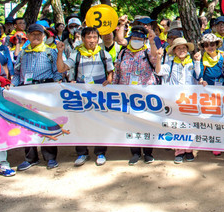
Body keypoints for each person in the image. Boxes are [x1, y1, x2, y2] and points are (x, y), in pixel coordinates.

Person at [56, 26, 114, 166]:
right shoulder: (76, 54)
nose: (92, 41)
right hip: (80, 95)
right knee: (80, 123)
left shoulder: (104, 54)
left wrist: (110, 79)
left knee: (100, 123)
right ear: (82, 39)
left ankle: (100, 153)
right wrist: (60, 52)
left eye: (95, 37)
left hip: (99, 96)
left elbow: (110, 70)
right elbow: (61, 68)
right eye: (89, 37)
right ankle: (82, 153)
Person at [11, 23, 62, 171]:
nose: (36, 37)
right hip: (26, 93)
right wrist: (12, 87)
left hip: (45, 92)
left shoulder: (50, 52)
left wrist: (56, 84)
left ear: (44, 36)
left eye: (39, 34)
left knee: (47, 123)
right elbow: (17, 73)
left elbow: (58, 71)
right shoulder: (23, 53)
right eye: (33, 34)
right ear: (28, 35)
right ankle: (31, 158)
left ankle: (50, 157)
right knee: (27, 125)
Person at [113, 25, 161, 165]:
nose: (137, 40)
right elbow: (117, 72)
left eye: (140, 38)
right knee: (130, 124)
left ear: (144, 40)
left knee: (146, 123)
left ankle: (148, 153)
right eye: (134, 38)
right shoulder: (123, 53)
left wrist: (152, 41)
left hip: (145, 96)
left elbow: (155, 58)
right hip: (127, 96)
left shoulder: (147, 52)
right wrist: (113, 89)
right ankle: (135, 153)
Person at [156, 38, 201, 164]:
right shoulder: (170, 64)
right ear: (174, 51)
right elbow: (158, 71)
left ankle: (189, 150)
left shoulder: (192, 63)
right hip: (174, 100)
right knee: (176, 126)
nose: (182, 50)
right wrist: (158, 58)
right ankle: (179, 151)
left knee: (189, 125)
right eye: (179, 48)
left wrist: (197, 62)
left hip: (190, 100)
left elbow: (198, 75)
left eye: (184, 48)